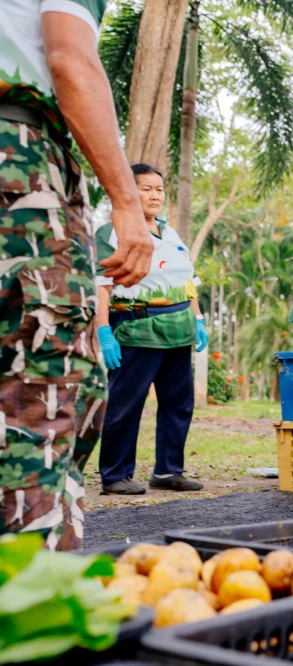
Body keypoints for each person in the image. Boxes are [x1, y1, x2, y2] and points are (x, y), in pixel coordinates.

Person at [1, 0, 153, 549]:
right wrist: (127, 202)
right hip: (17, 157)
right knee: (41, 397)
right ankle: (31, 611)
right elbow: (69, 59)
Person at [95, 163, 208, 495]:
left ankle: (168, 471)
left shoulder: (169, 232)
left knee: (178, 403)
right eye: (146, 188)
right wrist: (103, 331)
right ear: (129, 192)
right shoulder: (112, 231)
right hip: (136, 328)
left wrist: (198, 319)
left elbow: (187, 280)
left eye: (159, 188)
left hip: (178, 329)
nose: (155, 194)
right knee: (126, 403)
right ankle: (115, 474)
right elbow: (102, 285)